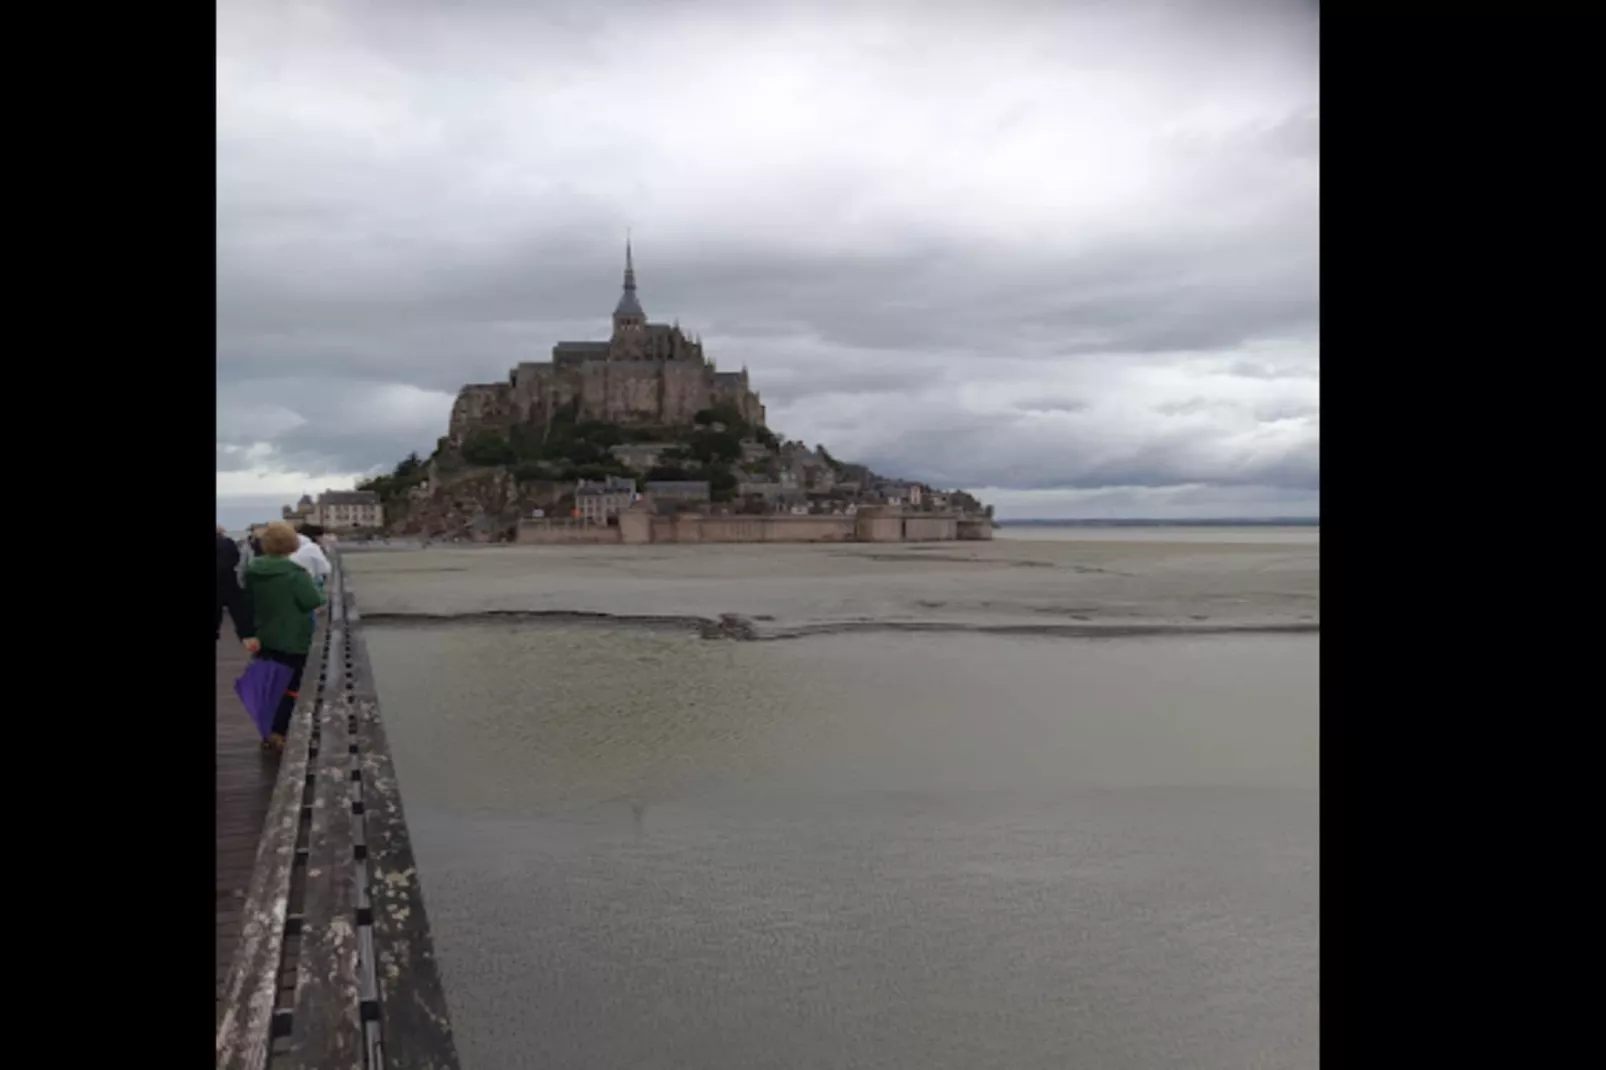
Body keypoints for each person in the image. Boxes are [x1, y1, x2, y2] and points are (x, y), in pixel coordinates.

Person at [244, 521, 327, 752]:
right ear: (292, 544)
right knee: (291, 687)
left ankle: (267, 730)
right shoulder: (295, 573)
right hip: (293, 637)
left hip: (265, 635)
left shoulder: (253, 571)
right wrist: (318, 588)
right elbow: (313, 600)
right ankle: (279, 732)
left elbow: (247, 601)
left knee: (270, 686)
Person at [216, 526, 255, 645]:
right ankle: (246, 637)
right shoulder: (228, 543)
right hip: (229, 580)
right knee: (240, 614)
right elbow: (237, 558)